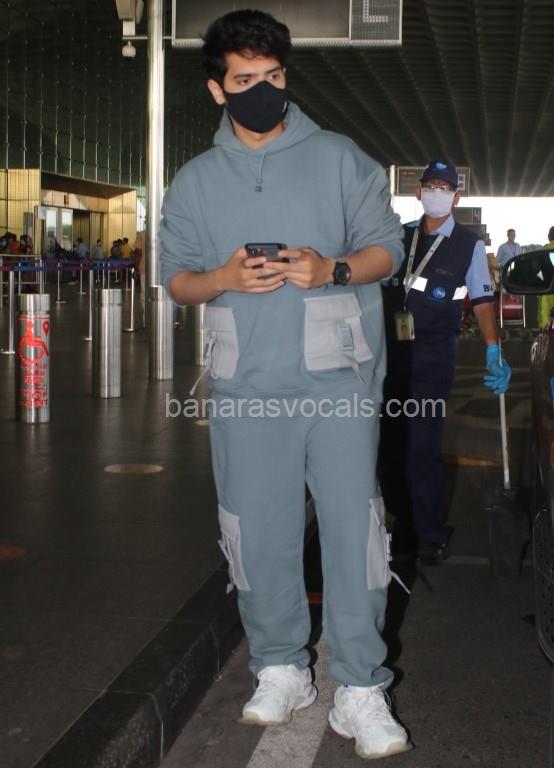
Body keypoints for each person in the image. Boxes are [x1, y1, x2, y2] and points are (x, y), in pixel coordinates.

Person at [160, 10, 411, 760]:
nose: (263, 90)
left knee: (355, 530)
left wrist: (332, 268)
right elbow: (177, 279)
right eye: (245, 80)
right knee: (256, 531)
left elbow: (388, 250)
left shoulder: (338, 158)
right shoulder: (196, 181)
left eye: (273, 76)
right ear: (217, 89)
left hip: (339, 380)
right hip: (246, 383)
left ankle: (360, 686)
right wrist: (223, 277)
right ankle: (281, 668)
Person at [379, 160, 512, 565]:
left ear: (456, 196)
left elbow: (483, 303)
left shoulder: (469, 245)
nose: (437, 192)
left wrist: (493, 349)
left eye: (444, 186)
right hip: (392, 355)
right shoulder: (399, 237)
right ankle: (401, 520)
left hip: (433, 358)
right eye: (430, 185)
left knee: (422, 445)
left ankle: (430, 532)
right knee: (391, 443)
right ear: (418, 191)